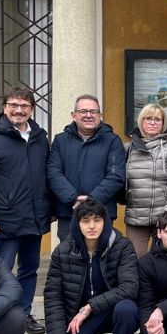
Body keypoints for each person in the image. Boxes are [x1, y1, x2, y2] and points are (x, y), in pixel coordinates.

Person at [0, 85, 50, 334]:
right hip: (4, 220)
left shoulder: (40, 139)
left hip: (34, 219)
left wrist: (48, 210)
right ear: (4, 108)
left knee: (29, 270)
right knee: (1, 272)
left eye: (24, 105)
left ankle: (23, 314)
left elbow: (46, 177)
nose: (19, 110)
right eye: (13, 105)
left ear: (32, 109)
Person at [44, 198, 140, 334]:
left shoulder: (121, 246)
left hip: (111, 312)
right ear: (77, 223)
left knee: (127, 308)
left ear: (105, 221)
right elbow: (53, 296)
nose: (92, 226)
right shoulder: (63, 252)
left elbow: (130, 287)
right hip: (80, 320)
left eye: (97, 220)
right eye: (85, 221)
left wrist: (89, 307)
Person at [47, 94, 126, 242]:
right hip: (69, 212)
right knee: (69, 254)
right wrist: (74, 198)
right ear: (74, 115)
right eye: (83, 111)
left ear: (100, 115)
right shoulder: (60, 140)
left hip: (101, 213)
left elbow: (116, 175)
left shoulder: (113, 141)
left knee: (101, 254)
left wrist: (91, 199)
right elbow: (53, 173)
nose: (88, 115)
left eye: (93, 111)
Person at [123, 103, 167, 257]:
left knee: (163, 261)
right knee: (134, 260)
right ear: (141, 121)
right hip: (136, 217)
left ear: (163, 123)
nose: (152, 122)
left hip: (164, 217)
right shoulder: (128, 148)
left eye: (157, 119)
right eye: (148, 118)